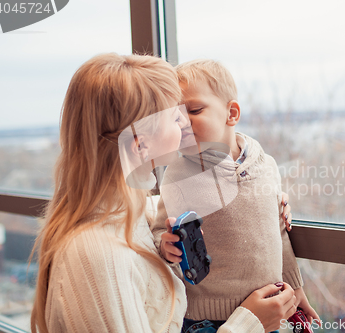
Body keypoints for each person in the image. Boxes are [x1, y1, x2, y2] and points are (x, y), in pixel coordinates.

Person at [30, 53, 297, 333]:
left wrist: (260, 198)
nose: (183, 124)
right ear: (141, 146)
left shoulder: (123, 214)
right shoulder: (97, 258)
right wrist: (247, 325)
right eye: (174, 116)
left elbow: (161, 209)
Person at [152, 59, 320, 333]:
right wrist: (165, 245)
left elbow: (278, 232)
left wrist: (296, 288)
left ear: (231, 113)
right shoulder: (178, 174)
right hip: (205, 321)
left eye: (193, 110)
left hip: (271, 310)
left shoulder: (266, 166)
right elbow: (160, 229)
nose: (181, 122)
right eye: (173, 117)